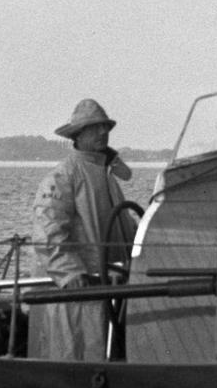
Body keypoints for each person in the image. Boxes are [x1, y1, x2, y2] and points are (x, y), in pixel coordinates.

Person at [33, 98, 139, 284]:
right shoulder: (62, 177)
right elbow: (48, 232)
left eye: (105, 126)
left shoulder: (106, 173)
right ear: (78, 135)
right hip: (82, 292)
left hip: (114, 285)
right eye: (94, 127)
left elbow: (123, 225)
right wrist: (70, 273)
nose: (103, 132)